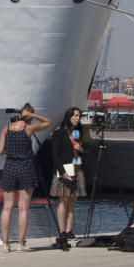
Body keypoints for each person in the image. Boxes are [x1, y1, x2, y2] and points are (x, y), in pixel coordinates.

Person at [0, 103, 52, 252]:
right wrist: (32, 116)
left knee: (7, 207)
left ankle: (5, 244)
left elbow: (1, 150)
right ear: (29, 116)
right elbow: (49, 122)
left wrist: (13, 150)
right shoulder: (29, 128)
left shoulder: (6, 128)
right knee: (23, 208)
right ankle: (21, 244)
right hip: (26, 168)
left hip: (10, 167)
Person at [50, 106, 87, 249]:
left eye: (79, 116)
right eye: (75, 115)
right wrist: (62, 171)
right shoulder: (59, 132)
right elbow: (55, 154)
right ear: (69, 116)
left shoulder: (79, 131)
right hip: (65, 168)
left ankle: (70, 230)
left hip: (77, 167)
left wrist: (81, 149)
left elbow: (83, 149)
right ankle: (62, 231)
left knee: (73, 200)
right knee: (63, 200)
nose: (78, 118)